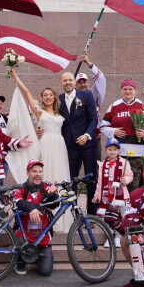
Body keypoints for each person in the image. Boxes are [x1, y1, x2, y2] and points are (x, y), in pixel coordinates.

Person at [11, 68, 70, 185]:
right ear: (42, 98)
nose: (48, 97)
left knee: (59, 167)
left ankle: (59, 192)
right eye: (45, 95)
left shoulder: (59, 114)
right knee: (47, 167)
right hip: (46, 142)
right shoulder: (39, 112)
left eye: (50, 95)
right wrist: (15, 76)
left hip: (59, 143)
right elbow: (27, 92)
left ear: (54, 97)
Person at [100, 79, 144, 192]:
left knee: (133, 184)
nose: (127, 91)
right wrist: (113, 131)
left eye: (130, 89)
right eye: (125, 89)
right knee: (117, 183)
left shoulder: (143, 106)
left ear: (135, 91)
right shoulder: (114, 106)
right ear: (121, 91)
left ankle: (132, 208)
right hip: (117, 153)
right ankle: (116, 208)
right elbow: (103, 127)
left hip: (137, 153)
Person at [59, 72, 99, 214]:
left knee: (91, 177)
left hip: (87, 144)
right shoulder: (59, 99)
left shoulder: (87, 96)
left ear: (74, 82)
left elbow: (93, 119)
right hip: (69, 145)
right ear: (61, 83)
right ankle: (73, 213)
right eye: (65, 80)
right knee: (71, 179)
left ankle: (92, 212)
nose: (68, 82)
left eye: (70, 80)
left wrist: (87, 135)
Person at [12, 160, 59, 275]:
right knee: (18, 239)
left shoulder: (47, 186)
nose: (37, 174)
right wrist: (32, 208)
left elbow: (55, 205)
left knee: (46, 272)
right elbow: (17, 201)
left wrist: (52, 195)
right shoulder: (21, 188)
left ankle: (37, 255)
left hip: (42, 236)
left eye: (40, 171)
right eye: (34, 171)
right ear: (28, 173)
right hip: (24, 235)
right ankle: (21, 260)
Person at [92, 138, 132, 248]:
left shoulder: (124, 163)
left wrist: (126, 180)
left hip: (120, 195)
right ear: (106, 150)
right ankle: (109, 237)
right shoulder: (103, 164)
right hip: (107, 196)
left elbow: (130, 175)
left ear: (118, 151)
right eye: (110, 149)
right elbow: (100, 182)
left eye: (115, 149)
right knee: (108, 217)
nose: (112, 152)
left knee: (119, 216)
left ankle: (118, 237)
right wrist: (96, 195)